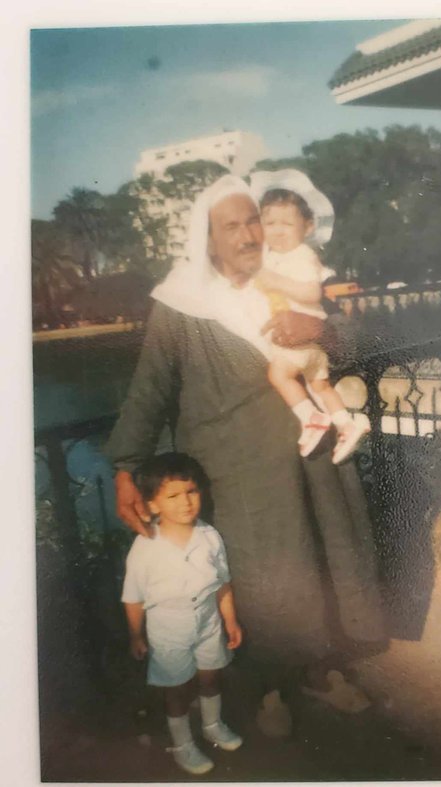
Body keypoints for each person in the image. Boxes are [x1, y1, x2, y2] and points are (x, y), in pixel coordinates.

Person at [106, 174, 386, 735]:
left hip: (310, 453)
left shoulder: (283, 281)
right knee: (261, 577)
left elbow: (355, 344)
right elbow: (150, 388)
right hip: (237, 465)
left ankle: (317, 669)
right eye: (230, 225)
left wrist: (321, 332)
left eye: (252, 220)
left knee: (319, 563)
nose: (247, 234)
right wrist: (124, 468)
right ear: (207, 240)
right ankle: (267, 689)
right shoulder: (182, 305)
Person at [122, 452, 242, 775]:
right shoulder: (145, 547)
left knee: (211, 676)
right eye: (173, 495)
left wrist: (230, 620)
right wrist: (136, 634)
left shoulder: (209, 537)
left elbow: (223, 584)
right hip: (168, 629)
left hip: (208, 623)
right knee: (176, 690)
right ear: (151, 505)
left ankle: (212, 725)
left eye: (192, 492)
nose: (186, 502)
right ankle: (182, 744)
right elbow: (133, 598)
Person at [250, 169, 369, 464]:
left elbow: (312, 292)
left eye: (287, 223)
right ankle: (347, 425)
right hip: (314, 349)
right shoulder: (275, 256)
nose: (277, 230)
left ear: (307, 227)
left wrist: (273, 280)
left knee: (278, 374)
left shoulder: (302, 255)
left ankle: (311, 417)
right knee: (321, 386)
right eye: (270, 223)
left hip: (298, 338)